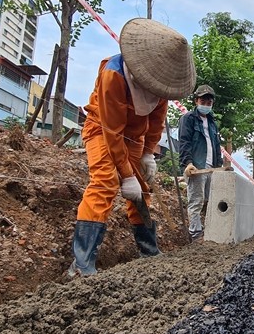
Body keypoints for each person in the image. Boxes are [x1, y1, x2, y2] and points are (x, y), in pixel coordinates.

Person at [67, 18, 196, 277]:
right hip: (103, 130)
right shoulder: (113, 75)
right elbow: (112, 131)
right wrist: (126, 175)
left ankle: (149, 250)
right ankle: (81, 265)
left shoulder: (162, 83)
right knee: (104, 183)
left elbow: (157, 120)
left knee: (142, 190)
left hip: (135, 139)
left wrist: (148, 153)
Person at [177, 84, 223, 241]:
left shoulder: (212, 123)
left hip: (211, 168)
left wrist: (220, 166)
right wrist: (188, 163)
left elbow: (217, 146)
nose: (206, 105)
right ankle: (195, 235)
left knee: (211, 201)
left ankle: (209, 232)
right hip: (196, 166)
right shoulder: (188, 119)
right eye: (203, 101)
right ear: (196, 101)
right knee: (196, 201)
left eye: (209, 103)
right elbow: (184, 142)